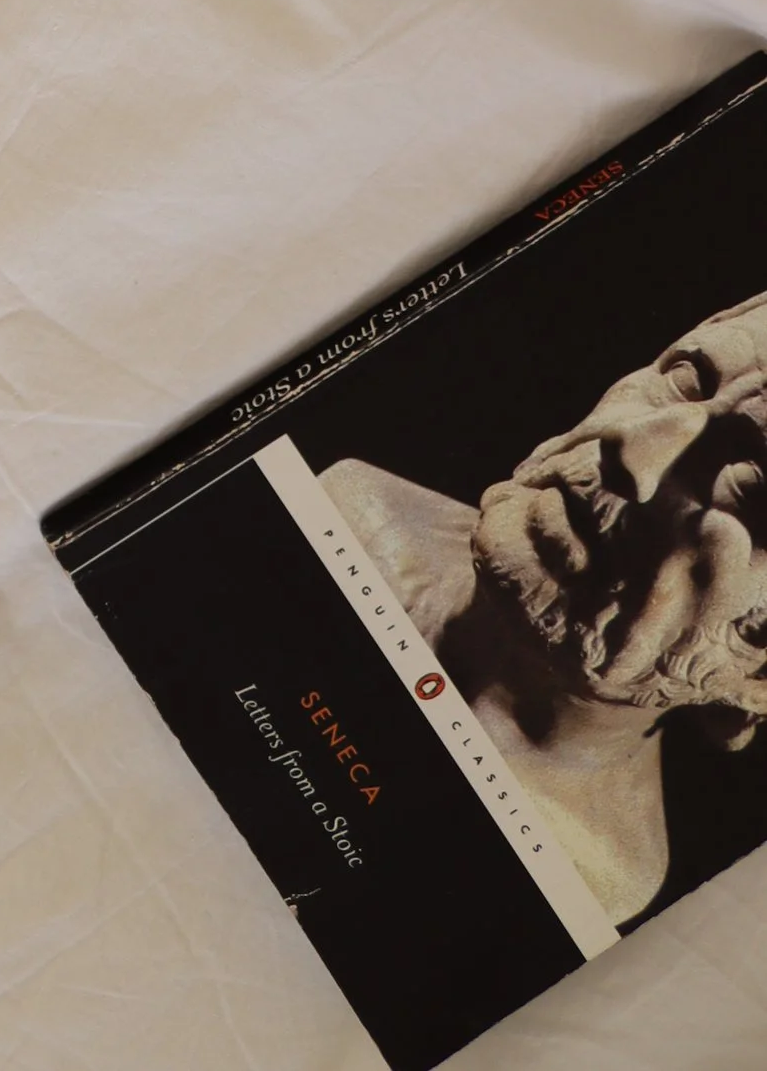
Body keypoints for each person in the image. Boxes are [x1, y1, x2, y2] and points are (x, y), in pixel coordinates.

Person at [321, 296, 767, 924]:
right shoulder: (343, 514)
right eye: (686, 379)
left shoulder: (585, 879)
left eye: (750, 485)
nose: (628, 446)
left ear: (760, 674)